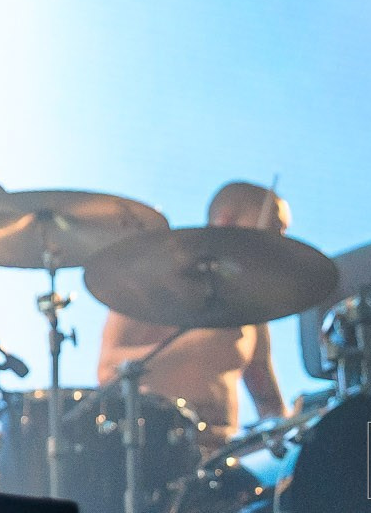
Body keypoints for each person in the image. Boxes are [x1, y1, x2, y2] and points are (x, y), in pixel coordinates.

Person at [95, 182, 296, 433]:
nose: (280, 242)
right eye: (274, 228)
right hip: (156, 447)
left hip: (223, 457)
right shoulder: (151, 284)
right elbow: (108, 372)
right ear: (226, 221)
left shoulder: (249, 306)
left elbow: (269, 406)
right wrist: (197, 345)